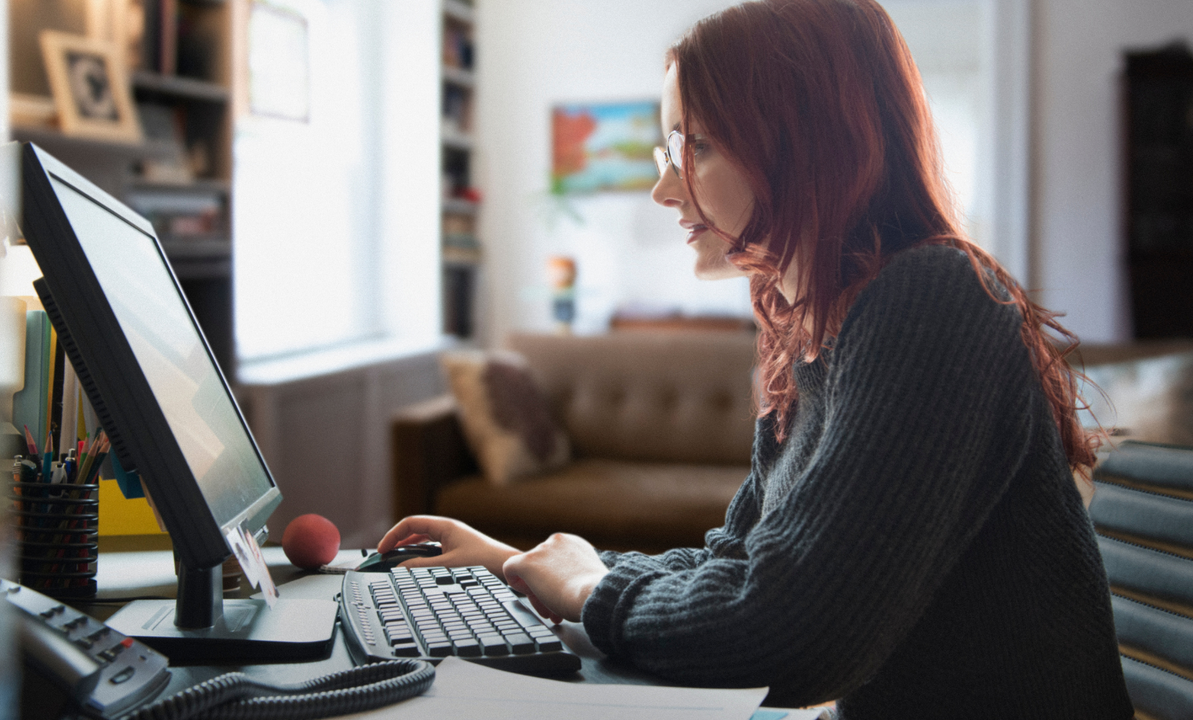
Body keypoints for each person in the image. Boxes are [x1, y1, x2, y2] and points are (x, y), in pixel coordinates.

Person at [379, 1, 1134, 717]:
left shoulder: (933, 298)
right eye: (668, 148)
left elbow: (788, 637)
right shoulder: (817, 332)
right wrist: (528, 567)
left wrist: (585, 590)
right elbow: (740, 565)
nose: (663, 187)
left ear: (803, 140)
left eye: (695, 145)